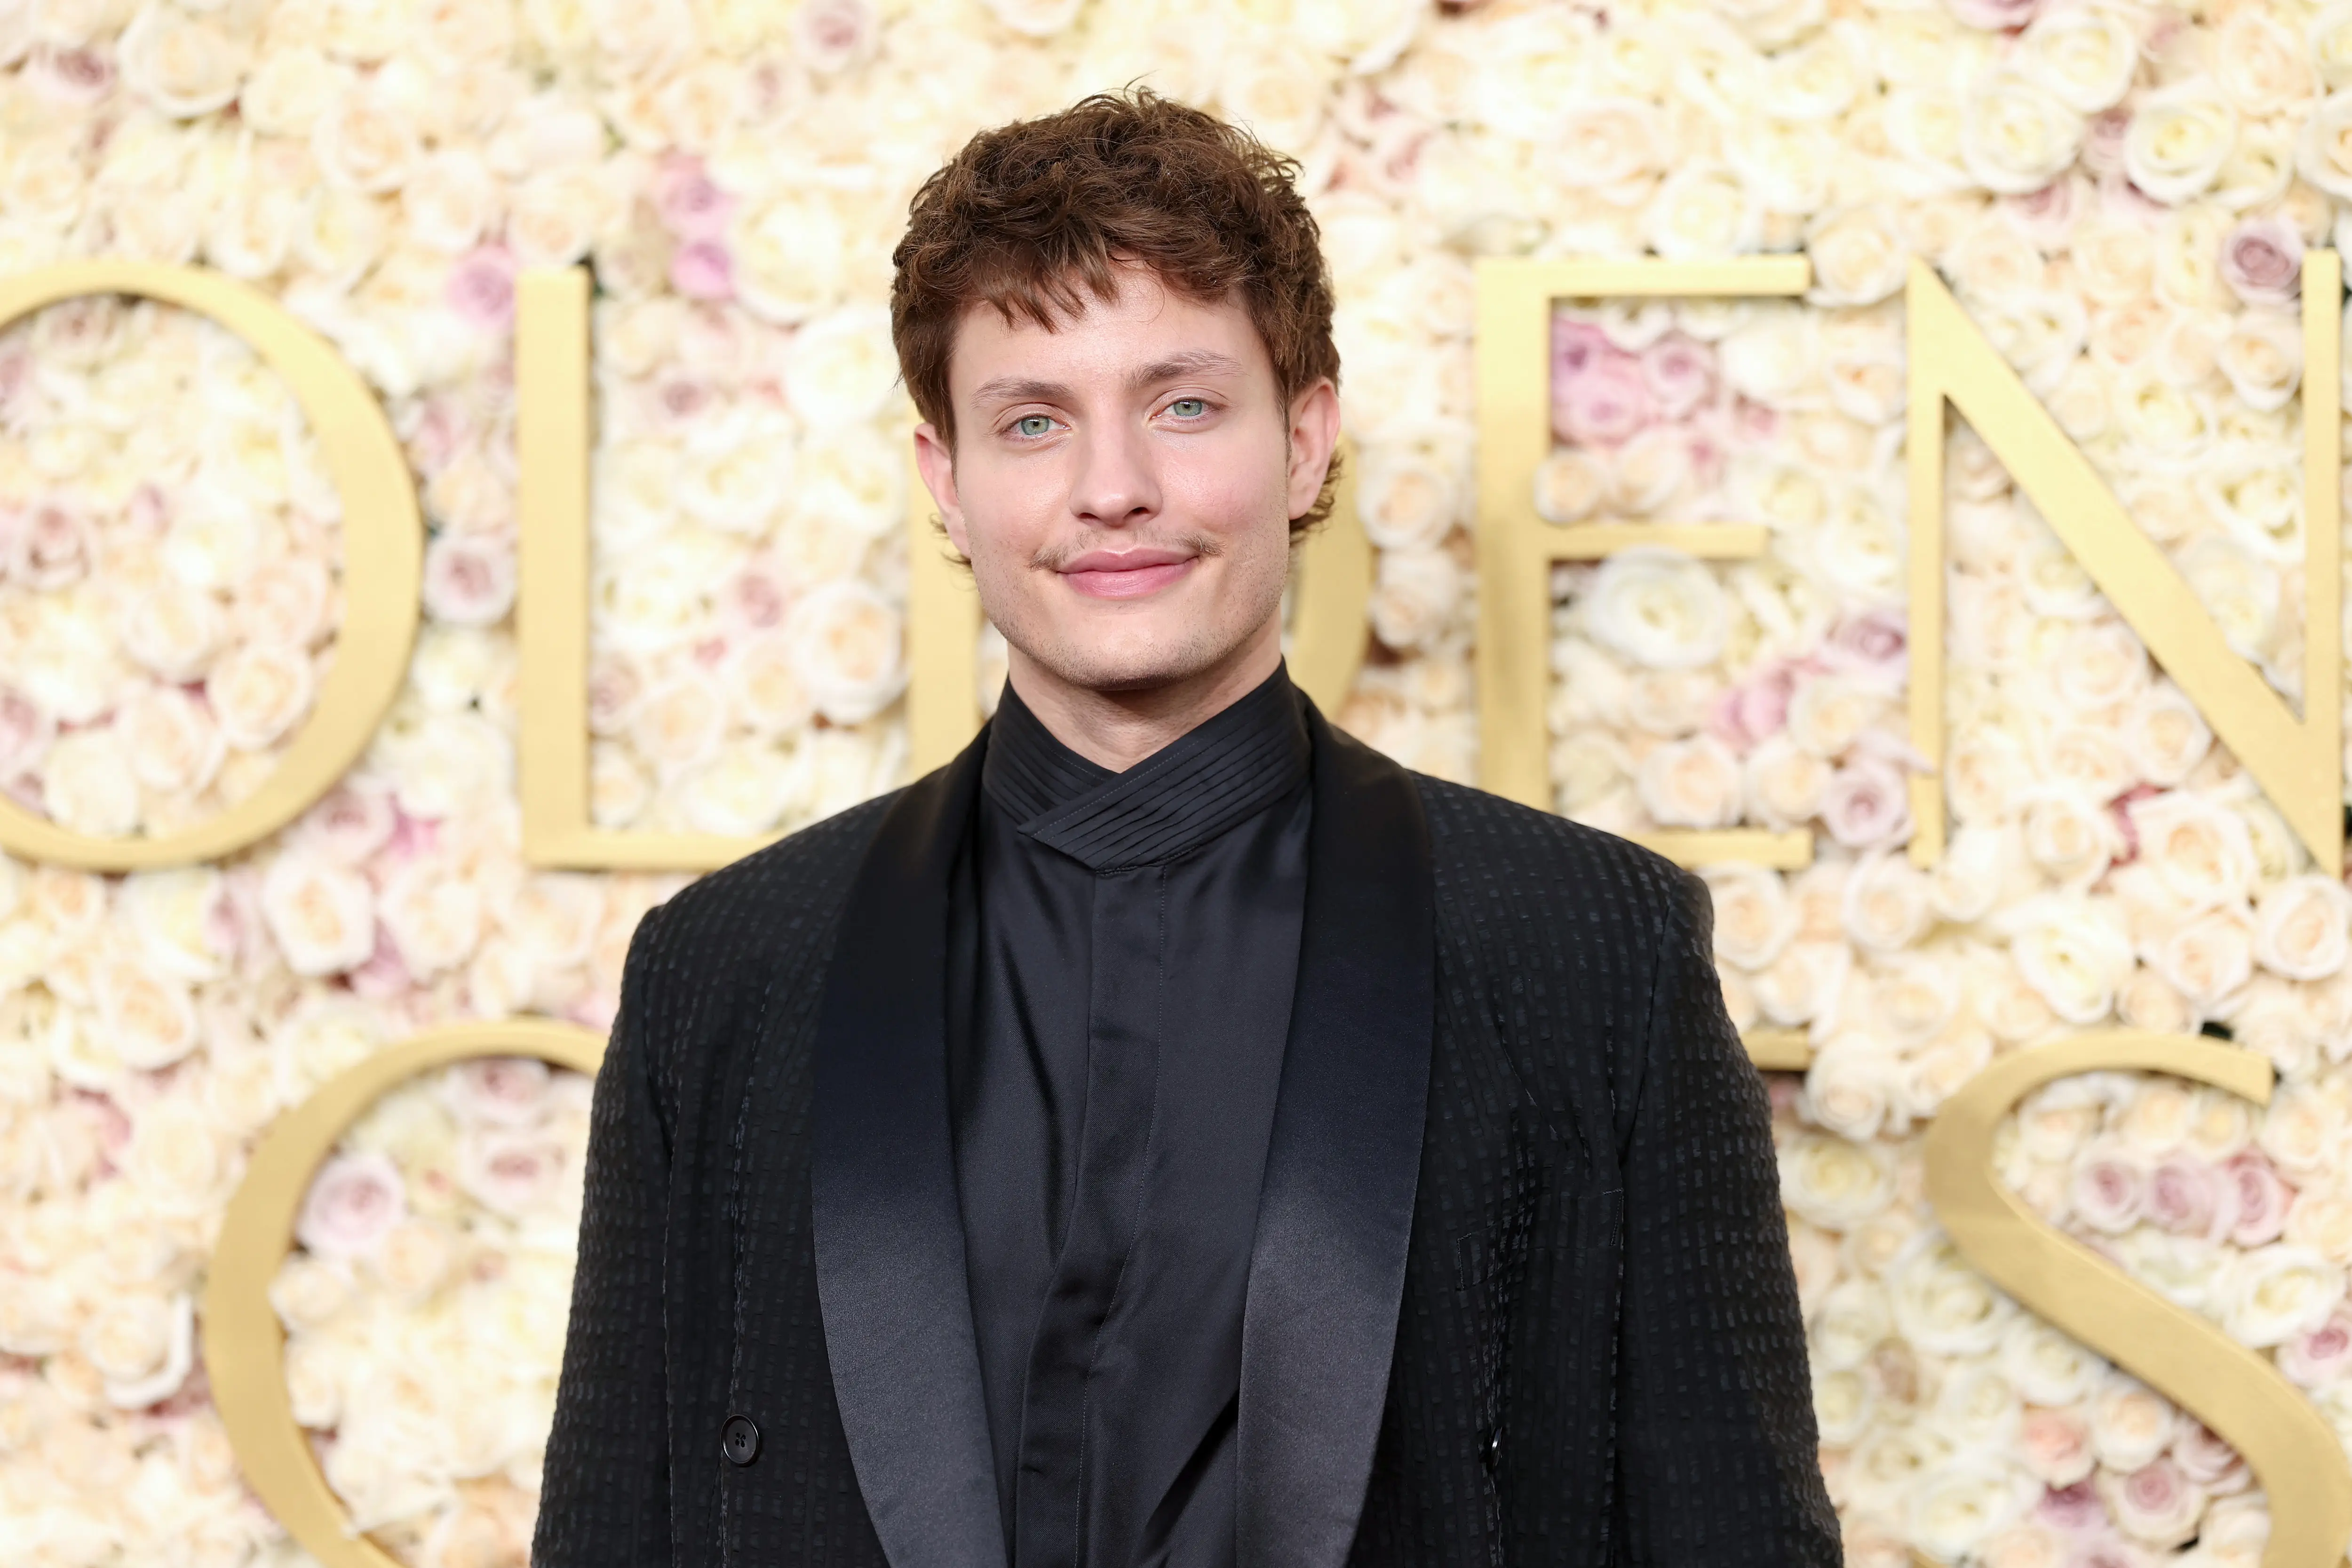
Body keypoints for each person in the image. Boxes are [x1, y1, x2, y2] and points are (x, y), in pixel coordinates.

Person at [536, 90, 1837, 1568]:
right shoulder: (726, 967)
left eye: (1184, 403)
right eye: (1034, 421)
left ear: (1304, 440)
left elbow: (1738, 1532)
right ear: (946, 483)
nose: (1113, 489)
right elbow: (611, 1530)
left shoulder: (1593, 947)